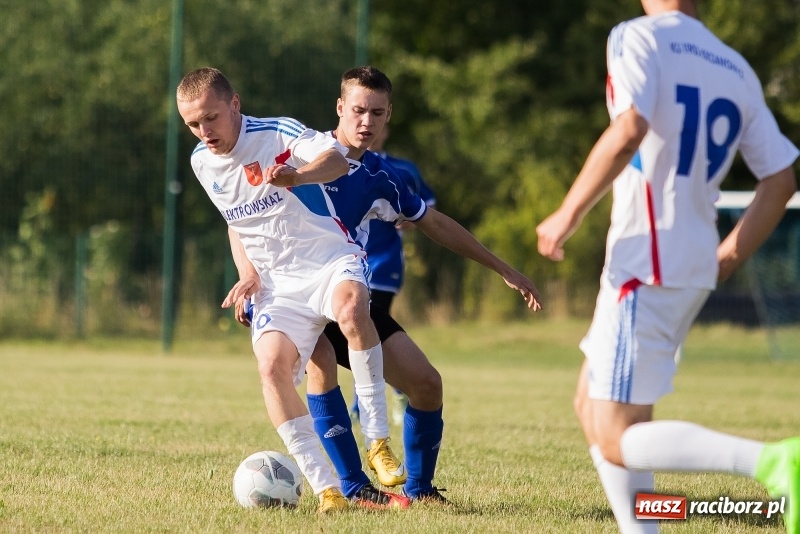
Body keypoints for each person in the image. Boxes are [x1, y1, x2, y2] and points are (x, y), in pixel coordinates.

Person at [536, 1, 799, 533]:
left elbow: (629, 127)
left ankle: (774, 462)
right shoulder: (734, 65)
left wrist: (567, 213)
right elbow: (782, 178)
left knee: (615, 433)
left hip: (645, 264)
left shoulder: (638, 36)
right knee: (591, 403)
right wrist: (729, 254)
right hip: (688, 259)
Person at [304, 65, 542, 503]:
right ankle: (354, 489)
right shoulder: (301, 153)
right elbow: (246, 212)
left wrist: (502, 267)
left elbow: (434, 223)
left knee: (427, 384)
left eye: (377, 113)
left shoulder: (382, 176)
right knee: (319, 366)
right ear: (339, 107)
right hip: (294, 296)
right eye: (358, 110)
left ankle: (420, 491)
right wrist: (251, 277)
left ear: (388, 114)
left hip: (350, 297)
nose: (366, 122)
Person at [176, 67, 405, 513]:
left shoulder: (277, 132)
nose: (205, 132)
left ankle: (377, 440)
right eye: (193, 124)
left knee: (353, 309)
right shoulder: (201, 163)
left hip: (327, 258)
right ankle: (329, 492)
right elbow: (236, 222)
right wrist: (248, 274)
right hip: (277, 283)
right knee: (271, 369)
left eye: (212, 118)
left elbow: (338, 159)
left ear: (235, 104)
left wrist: (295, 177)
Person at [349, 123, 438, 425]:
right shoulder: (335, 163)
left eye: (378, 119)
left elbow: (428, 205)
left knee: (373, 324)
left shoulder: (400, 169)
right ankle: (365, 399)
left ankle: (395, 391)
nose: (369, 125)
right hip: (345, 260)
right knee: (354, 329)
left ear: (386, 129)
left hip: (383, 260)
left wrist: (413, 218)